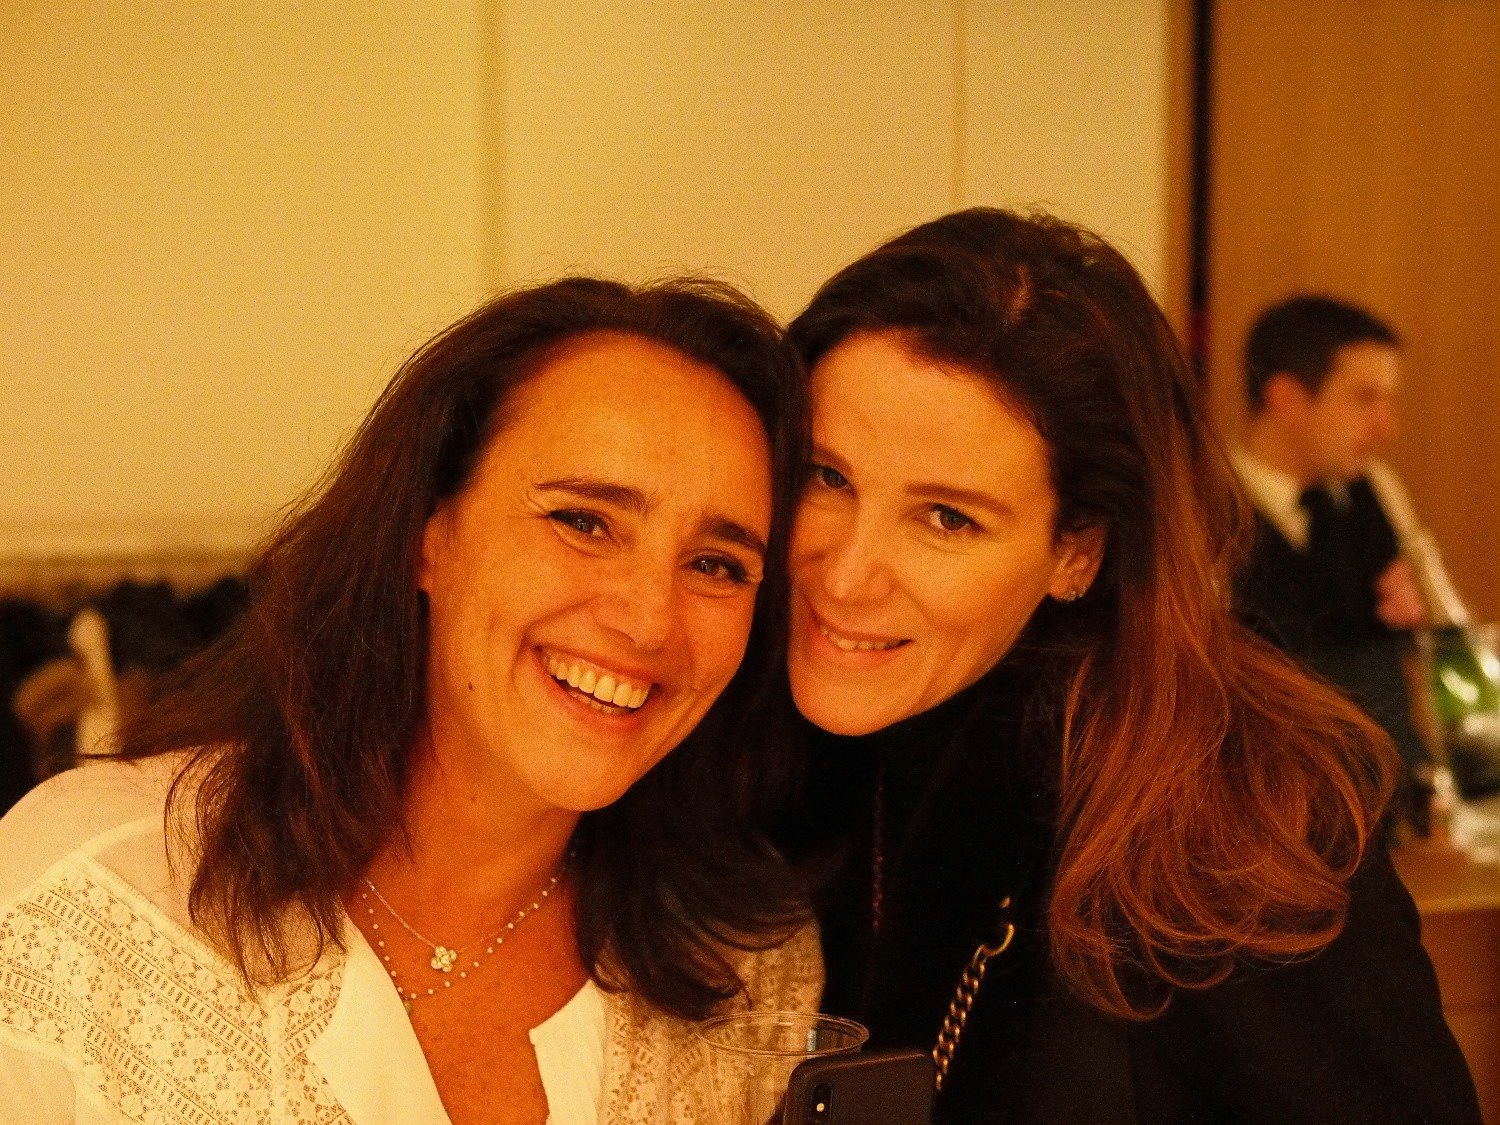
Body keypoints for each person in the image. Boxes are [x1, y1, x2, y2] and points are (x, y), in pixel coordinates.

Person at [0, 277, 819, 1124]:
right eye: (583, 521)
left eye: (717, 565)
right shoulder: (80, 900)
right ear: (429, 532)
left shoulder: (751, 967)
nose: (649, 620)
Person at [779, 209, 1480, 1123]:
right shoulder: (745, 749)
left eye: (947, 517)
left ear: (1077, 551)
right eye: (827, 476)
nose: (844, 574)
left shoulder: (1235, 828)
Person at [1232, 296, 1439, 831]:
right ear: (1286, 398)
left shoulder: (1378, 491)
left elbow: (1444, 638)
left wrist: (1424, 610)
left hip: (1395, 807)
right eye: (1364, 398)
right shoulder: (1203, 509)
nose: (1386, 427)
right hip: (1268, 822)